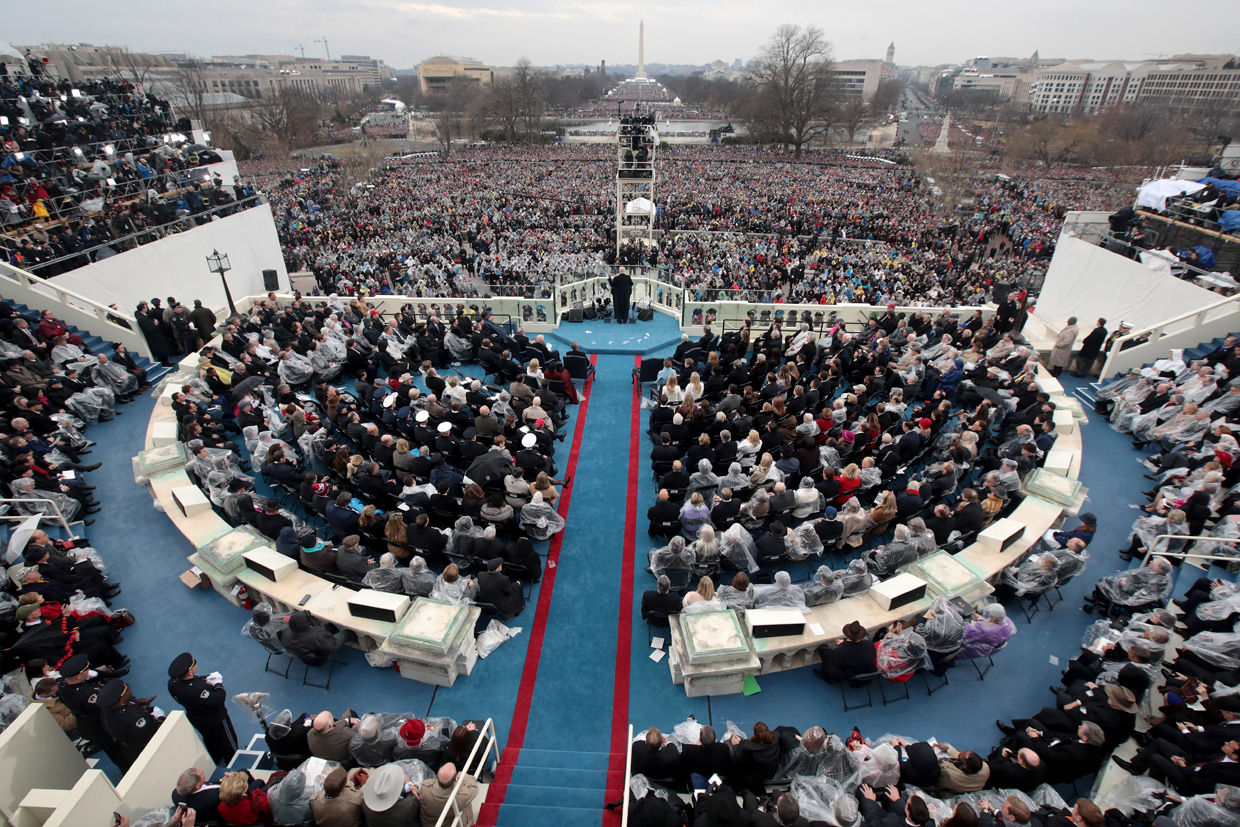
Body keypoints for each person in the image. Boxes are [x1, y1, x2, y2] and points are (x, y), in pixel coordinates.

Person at [167, 652, 238, 766]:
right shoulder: (198, 690)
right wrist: (218, 684)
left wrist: (207, 678)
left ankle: (217, 757)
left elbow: (195, 680)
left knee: (210, 739)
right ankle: (234, 758)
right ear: (190, 672)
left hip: (197, 718)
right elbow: (219, 699)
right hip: (215, 718)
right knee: (228, 739)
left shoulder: (173, 684)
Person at [813, 620, 876, 684]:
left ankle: (826, 677)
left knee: (825, 653)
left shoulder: (842, 650)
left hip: (853, 677)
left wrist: (840, 647)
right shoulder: (869, 643)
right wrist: (844, 644)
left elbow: (836, 664)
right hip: (867, 672)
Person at [419, 762, 480, 826]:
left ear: (437, 776)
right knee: (467, 803)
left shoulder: (425, 788)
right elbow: (474, 788)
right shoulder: (461, 797)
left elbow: (431, 782)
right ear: (455, 779)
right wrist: (464, 776)